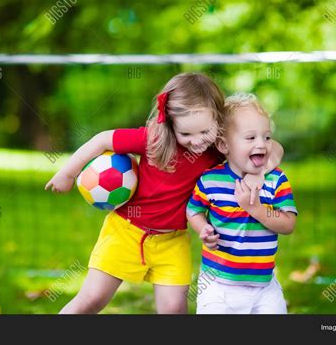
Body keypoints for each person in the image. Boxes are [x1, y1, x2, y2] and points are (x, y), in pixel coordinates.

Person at [45, 73, 283, 314]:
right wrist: (68, 173)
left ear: (218, 121)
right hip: (125, 233)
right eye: (186, 134)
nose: (196, 141)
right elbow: (103, 140)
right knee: (92, 299)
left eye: (204, 132)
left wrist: (257, 172)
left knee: (174, 309)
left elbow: (275, 148)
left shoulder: (218, 149)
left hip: (173, 242)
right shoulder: (153, 139)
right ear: (170, 124)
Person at [187, 92, 297, 314]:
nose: (262, 144)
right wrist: (203, 229)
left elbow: (288, 224)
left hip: (264, 287)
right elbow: (193, 210)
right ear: (224, 145)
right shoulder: (211, 180)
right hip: (217, 284)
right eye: (250, 138)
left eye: (267, 137)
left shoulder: (276, 179)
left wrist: (255, 209)